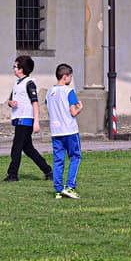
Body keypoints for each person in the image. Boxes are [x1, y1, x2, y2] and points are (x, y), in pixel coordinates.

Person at [3, 55, 53, 182]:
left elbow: (35, 103)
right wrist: (10, 103)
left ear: (21, 69)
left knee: (16, 147)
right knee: (28, 149)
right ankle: (48, 170)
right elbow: (11, 100)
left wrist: (36, 121)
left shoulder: (29, 83)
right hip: (18, 119)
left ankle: (12, 174)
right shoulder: (16, 83)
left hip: (25, 120)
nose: (14, 69)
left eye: (15, 66)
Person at [46, 63, 83, 199]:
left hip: (56, 131)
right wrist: (80, 108)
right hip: (70, 130)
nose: (71, 79)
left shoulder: (49, 92)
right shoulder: (69, 91)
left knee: (58, 160)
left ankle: (58, 189)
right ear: (65, 77)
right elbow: (73, 112)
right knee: (75, 157)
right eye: (71, 77)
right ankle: (70, 186)